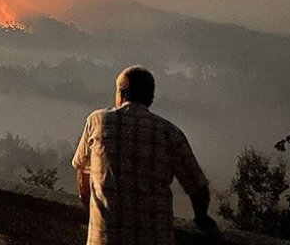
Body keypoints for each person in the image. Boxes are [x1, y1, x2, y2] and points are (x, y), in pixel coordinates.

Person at [72, 66, 220, 244]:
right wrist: (201, 216)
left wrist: (91, 206)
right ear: (150, 98)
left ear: (121, 93)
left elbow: (82, 171)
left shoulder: (97, 121)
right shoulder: (169, 133)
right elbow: (198, 187)